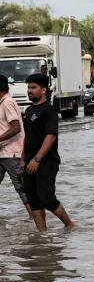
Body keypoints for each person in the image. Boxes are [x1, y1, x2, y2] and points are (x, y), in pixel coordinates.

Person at [20, 73, 74, 231]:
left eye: (33, 87)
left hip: (46, 161)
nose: (29, 90)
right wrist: (23, 158)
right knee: (33, 198)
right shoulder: (29, 110)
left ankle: (69, 225)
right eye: (28, 87)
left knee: (46, 197)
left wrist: (37, 159)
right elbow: (26, 137)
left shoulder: (49, 111)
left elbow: (51, 136)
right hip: (29, 160)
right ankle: (42, 234)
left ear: (43, 90)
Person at [0, 75, 32, 217]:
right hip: (2, 152)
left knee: (21, 188)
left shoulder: (7, 102)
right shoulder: (2, 103)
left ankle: (36, 219)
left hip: (12, 153)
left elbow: (16, 127)